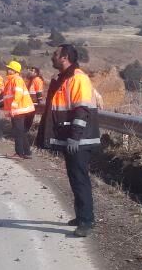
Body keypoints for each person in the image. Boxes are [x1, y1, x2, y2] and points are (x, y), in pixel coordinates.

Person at [35, 45, 100, 237]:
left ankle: (87, 221)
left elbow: (82, 109)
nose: (52, 58)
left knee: (80, 179)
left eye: (55, 55)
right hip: (72, 138)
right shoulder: (64, 79)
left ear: (64, 58)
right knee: (74, 177)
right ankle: (82, 216)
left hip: (80, 140)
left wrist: (75, 136)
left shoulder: (78, 78)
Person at [1, 60, 35, 158]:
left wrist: (13, 107)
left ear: (15, 71)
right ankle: (27, 153)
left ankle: (19, 153)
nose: (7, 70)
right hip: (19, 109)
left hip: (18, 109)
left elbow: (18, 94)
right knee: (21, 131)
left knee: (18, 131)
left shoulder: (16, 79)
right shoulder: (12, 80)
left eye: (10, 69)